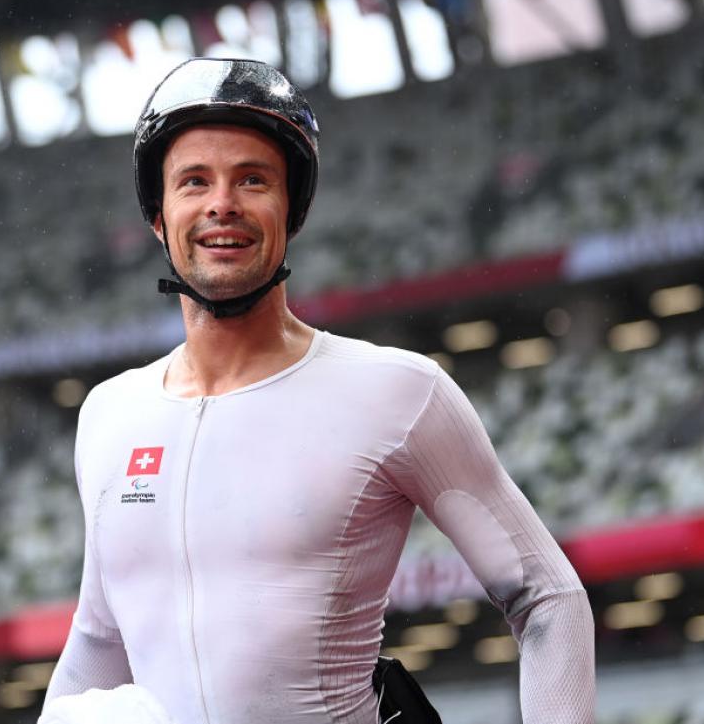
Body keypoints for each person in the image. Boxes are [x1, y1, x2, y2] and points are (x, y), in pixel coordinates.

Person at [40, 58, 595, 724]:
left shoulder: (397, 391)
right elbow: (100, 641)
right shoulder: (109, 413)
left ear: (292, 210)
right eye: (194, 181)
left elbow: (546, 596)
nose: (222, 203)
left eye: (253, 179)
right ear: (158, 217)